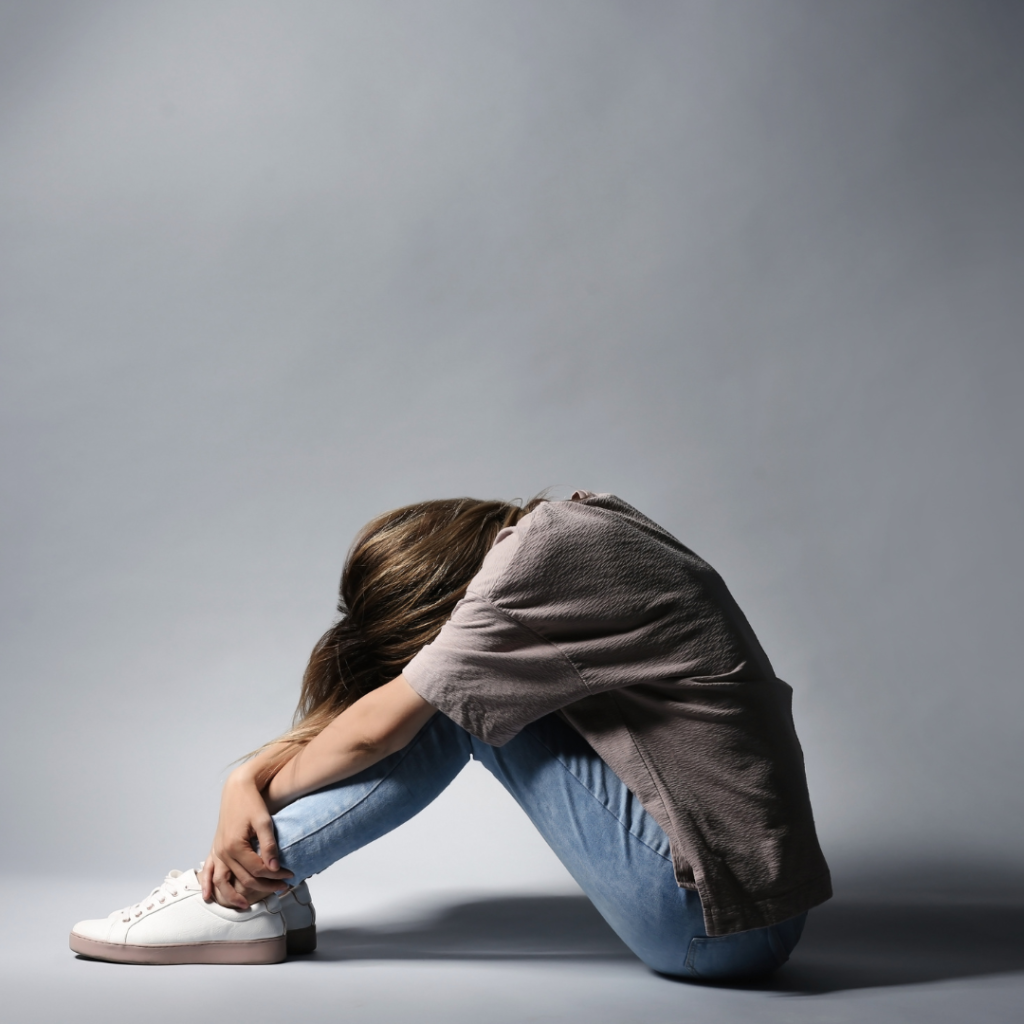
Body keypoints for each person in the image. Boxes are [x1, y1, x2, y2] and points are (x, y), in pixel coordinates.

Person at [69, 491, 831, 980]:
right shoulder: (580, 524)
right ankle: (275, 888)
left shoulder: (531, 566)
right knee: (445, 696)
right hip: (758, 912)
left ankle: (236, 893)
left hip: (710, 926)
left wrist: (248, 785)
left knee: (443, 707)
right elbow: (378, 715)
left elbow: (375, 731)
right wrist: (249, 777)